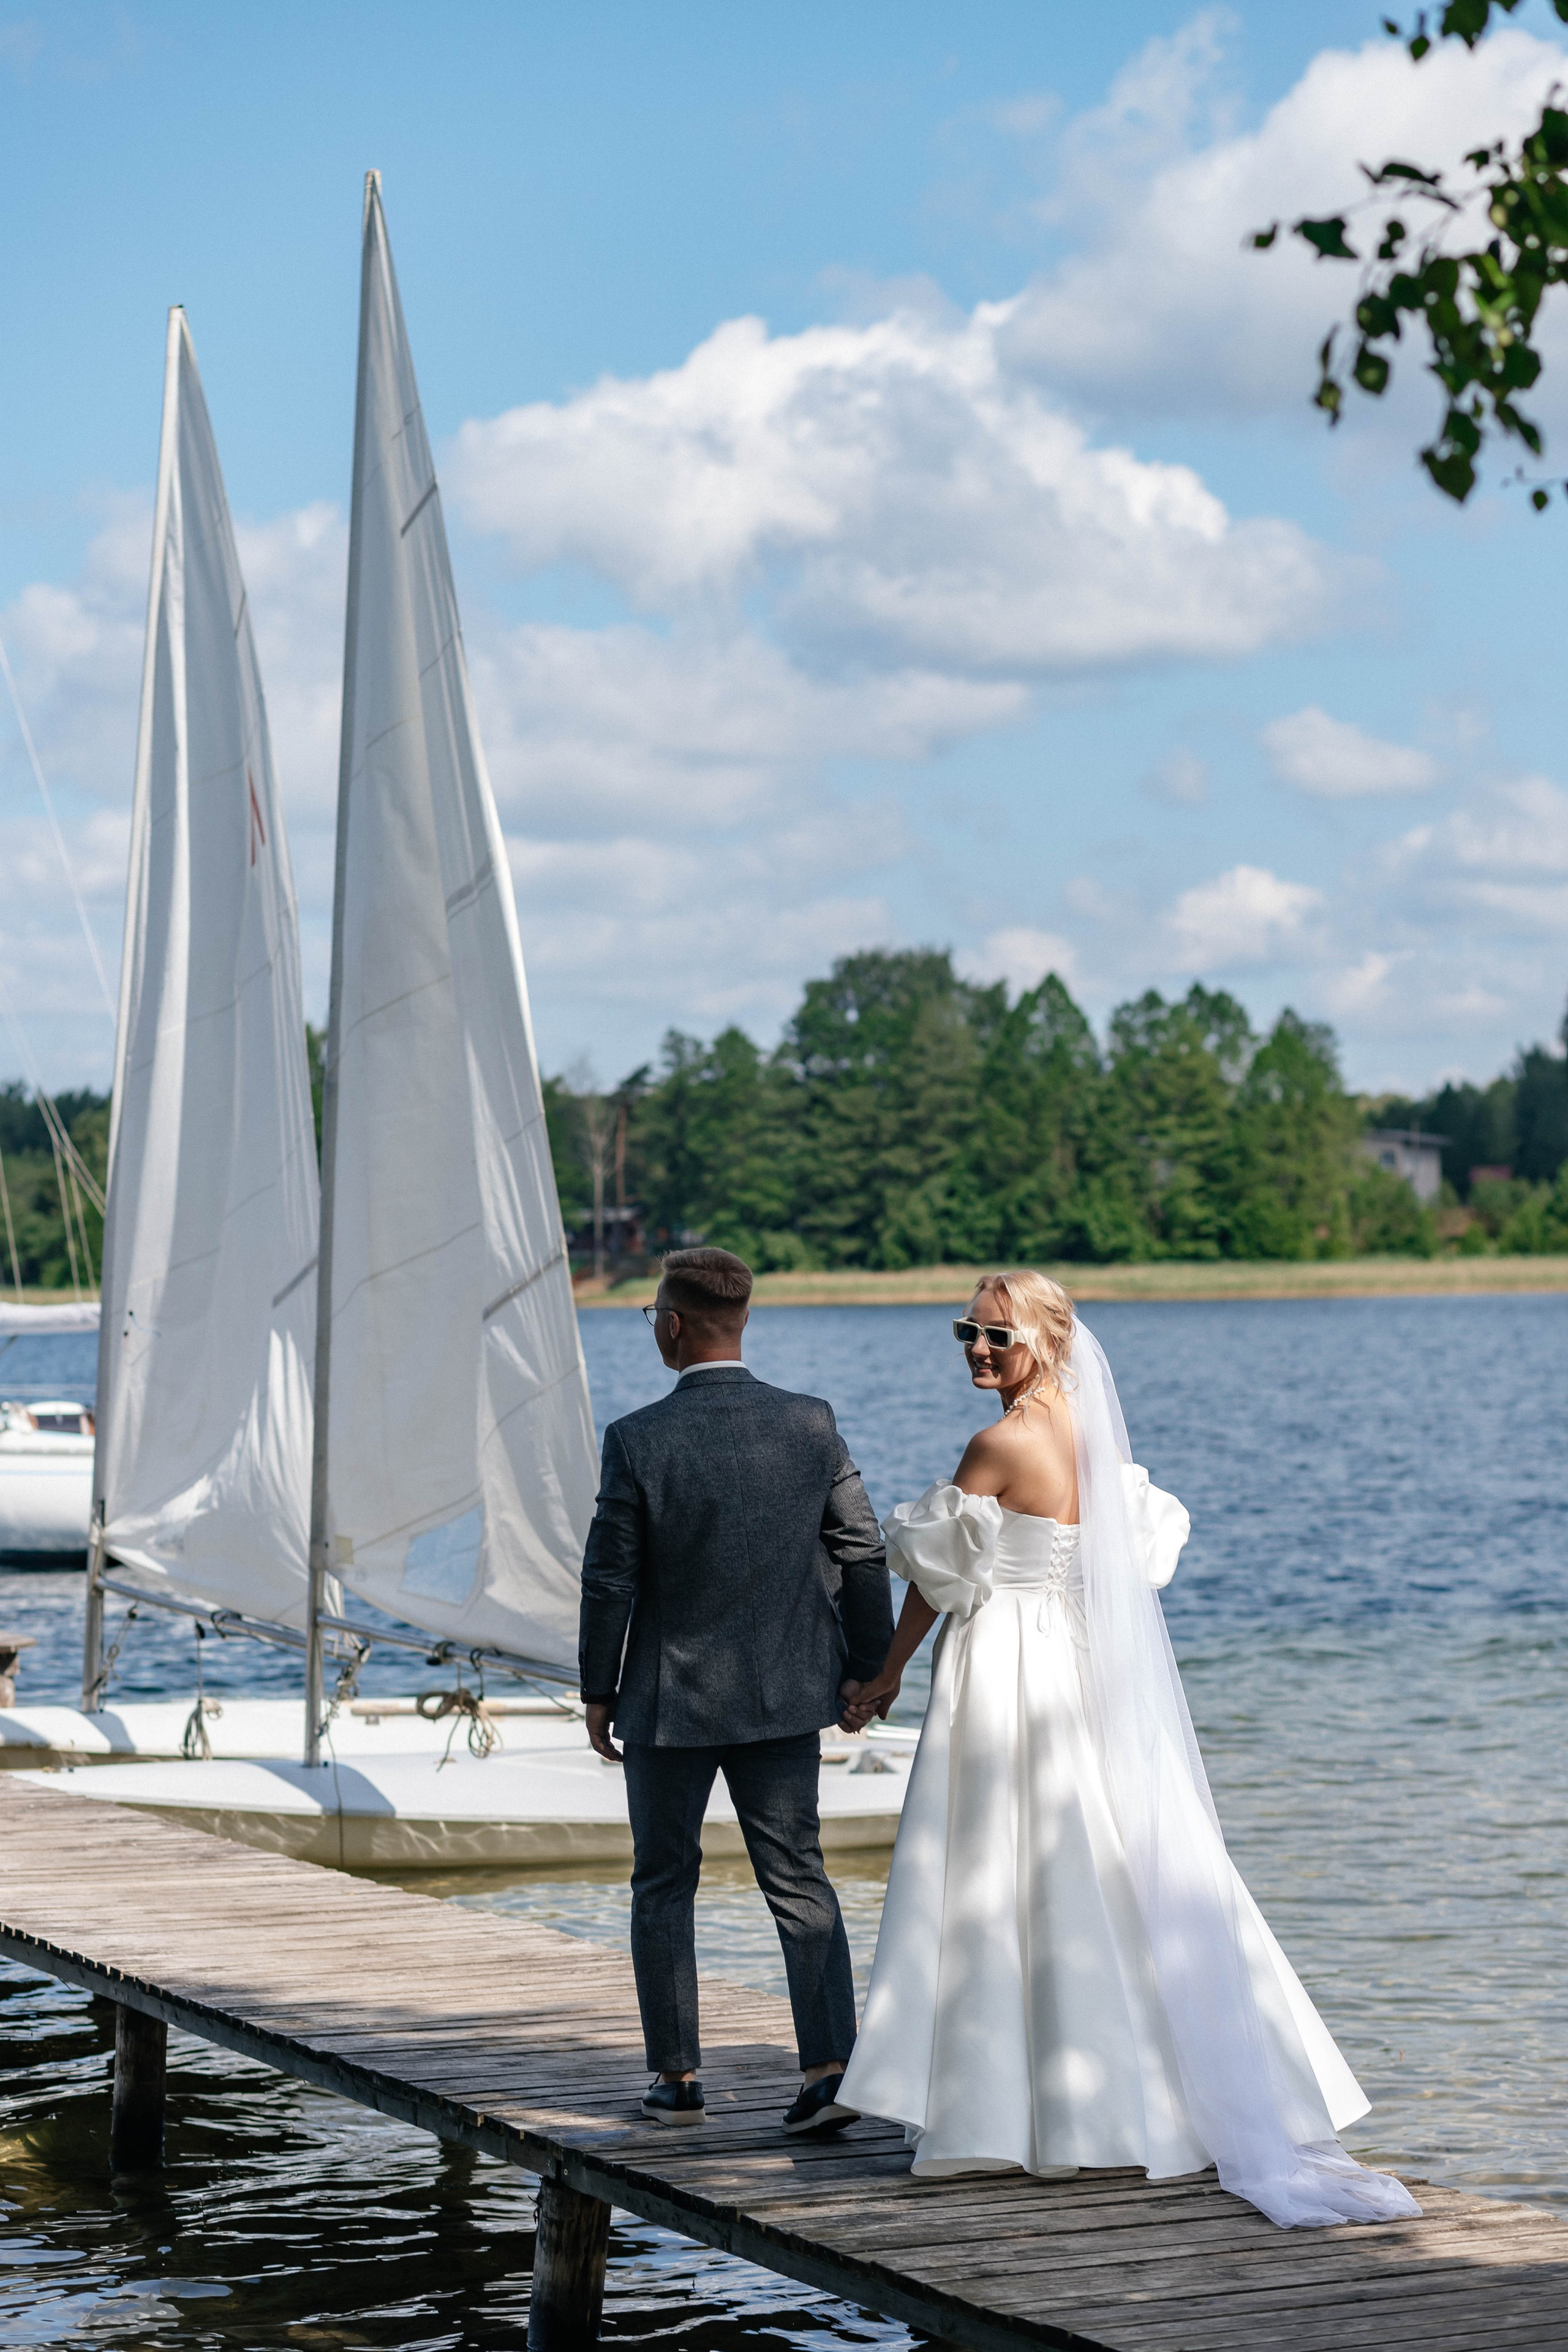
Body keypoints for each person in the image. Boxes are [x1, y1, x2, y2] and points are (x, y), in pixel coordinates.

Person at [837, 1269, 1420, 2231]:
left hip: (1008, 1675)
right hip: (1086, 1668)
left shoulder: (998, 1445)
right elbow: (1128, 1564)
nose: (979, 1351)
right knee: (1109, 1867)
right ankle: (1157, 2097)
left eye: (998, 1337)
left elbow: (939, 1580)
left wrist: (887, 1674)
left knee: (1010, 1873)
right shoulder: (1099, 1440)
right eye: (966, 1333)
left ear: (1049, 1341)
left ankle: (1024, 2112)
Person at [579, 1246, 893, 2132]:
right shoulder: (810, 1422)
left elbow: (610, 1581)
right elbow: (861, 1552)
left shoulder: (637, 1439)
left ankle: (677, 2081)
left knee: (663, 1883)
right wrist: (866, 1670)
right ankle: (829, 2071)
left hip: (667, 1701)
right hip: (788, 1695)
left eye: (653, 1320)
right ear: (742, 1321)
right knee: (800, 1880)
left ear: (672, 1326)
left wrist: (596, 1688)